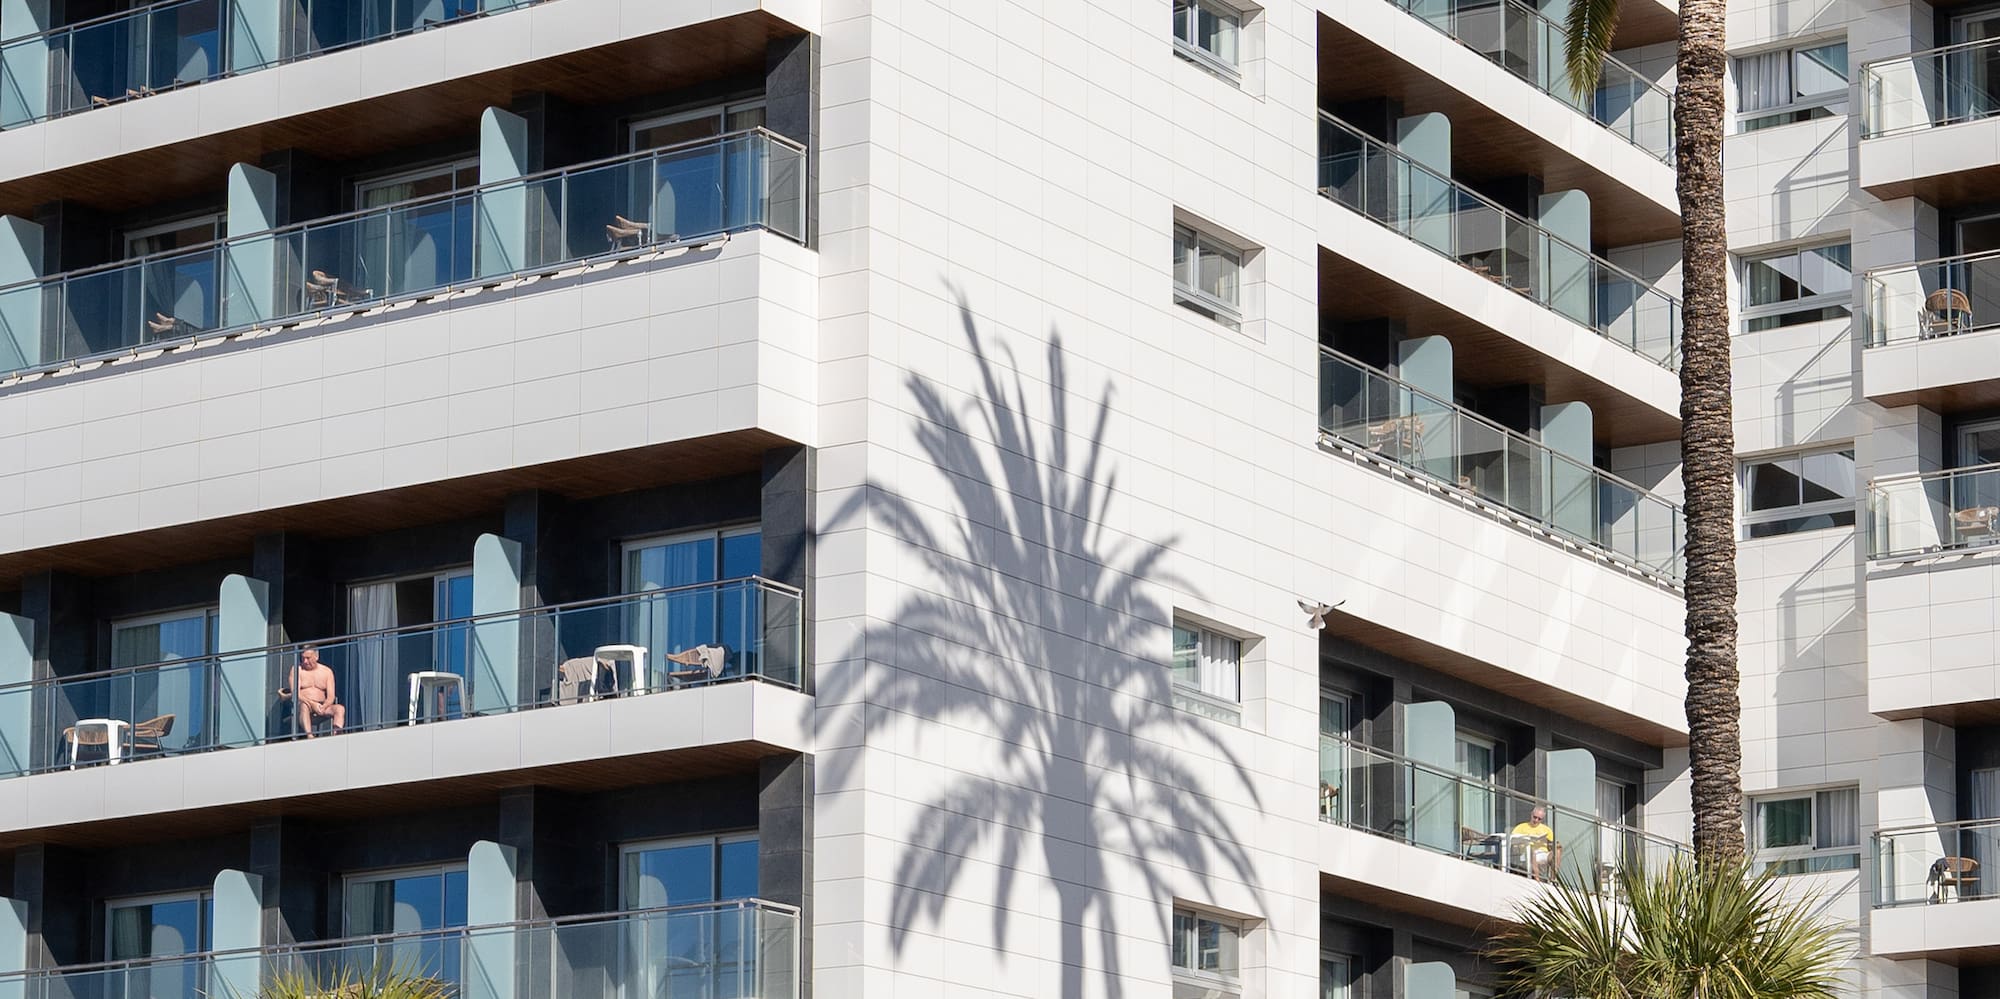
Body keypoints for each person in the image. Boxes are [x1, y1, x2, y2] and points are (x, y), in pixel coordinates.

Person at [280, 645, 346, 737]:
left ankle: (337, 734)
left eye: (308, 658)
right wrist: (312, 704)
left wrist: (324, 706)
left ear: (316, 656)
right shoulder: (296, 670)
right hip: (304, 706)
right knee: (304, 706)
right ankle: (310, 736)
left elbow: (331, 696)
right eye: (303, 658)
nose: (305, 661)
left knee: (339, 709)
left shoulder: (327, 672)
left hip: (321, 707)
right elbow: (296, 693)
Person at [1510, 806, 1561, 880]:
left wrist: (1550, 843)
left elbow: (1553, 845)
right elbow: (1512, 842)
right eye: (1535, 817)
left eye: (1539, 819)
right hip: (1525, 853)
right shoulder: (1520, 827)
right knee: (1532, 850)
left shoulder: (1546, 830)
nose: (1536, 820)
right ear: (1531, 815)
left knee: (1558, 851)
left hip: (1543, 853)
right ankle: (1538, 881)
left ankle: (1553, 880)